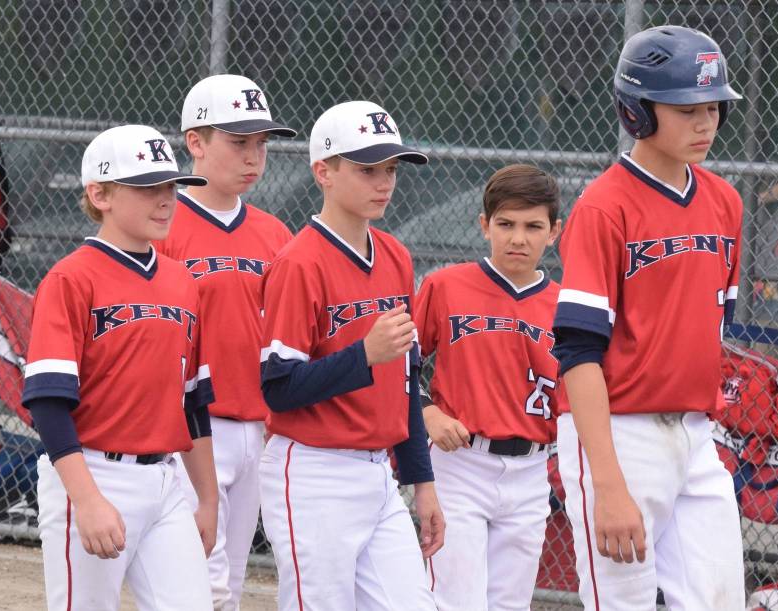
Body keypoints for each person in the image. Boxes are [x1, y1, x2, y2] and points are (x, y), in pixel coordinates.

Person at [552, 25, 746, 610]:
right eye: (687, 107)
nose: (705, 122)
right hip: (619, 434)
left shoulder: (725, 201)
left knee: (718, 601)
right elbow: (578, 352)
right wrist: (608, 485)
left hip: (694, 435)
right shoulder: (604, 207)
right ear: (637, 113)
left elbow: (709, 333)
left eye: (713, 107)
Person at [21, 124, 219, 611]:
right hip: (90, 471)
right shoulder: (71, 278)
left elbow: (193, 400)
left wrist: (208, 498)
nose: (165, 199)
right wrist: (86, 500)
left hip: (165, 481)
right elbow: (47, 403)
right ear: (100, 194)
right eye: (148, 187)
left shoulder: (182, 281)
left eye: (170, 187)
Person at [258, 100, 444, 611]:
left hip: (378, 472)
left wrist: (421, 482)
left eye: (390, 168)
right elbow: (278, 387)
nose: (384, 181)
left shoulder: (395, 254)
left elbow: (406, 378)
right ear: (325, 171)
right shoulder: (298, 263)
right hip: (314, 471)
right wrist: (363, 354)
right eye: (367, 169)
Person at [154, 73, 296, 611]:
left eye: (260, 143)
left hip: (258, 426)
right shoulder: (162, 221)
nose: (253, 156)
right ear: (195, 142)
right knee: (199, 585)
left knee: (229, 584)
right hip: (191, 427)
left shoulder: (275, 234)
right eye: (238, 142)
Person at [414, 164, 562, 611]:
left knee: (509, 604)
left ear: (554, 232)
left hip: (533, 471)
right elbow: (400, 365)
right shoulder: (445, 285)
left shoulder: (566, 304)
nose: (518, 238)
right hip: (461, 465)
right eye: (506, 224)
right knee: (453, 600)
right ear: (484, 226)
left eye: (533, 226)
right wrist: (426, 411)